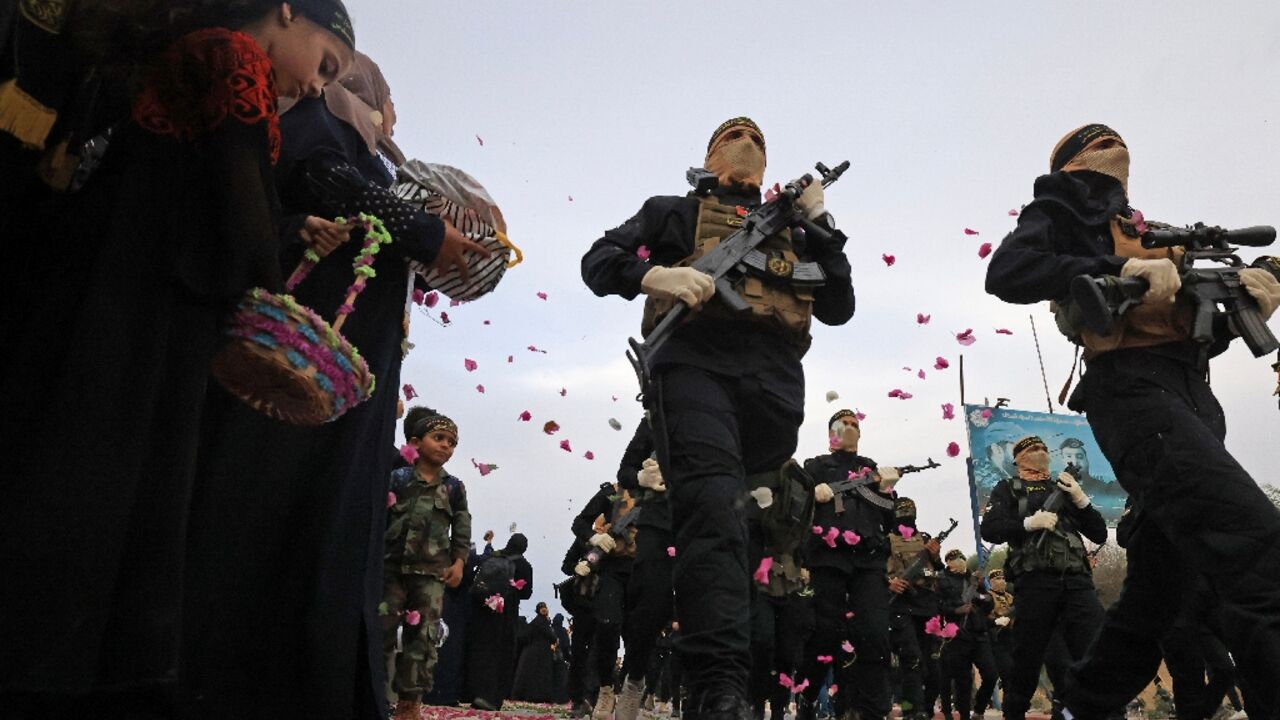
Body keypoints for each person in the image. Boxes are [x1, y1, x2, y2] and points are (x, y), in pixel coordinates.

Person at [0, 2, 356, 715]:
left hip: (117, 294)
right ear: (287, 11)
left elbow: (196, 187)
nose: (318, 88)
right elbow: (238, 197)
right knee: (104, 491)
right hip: (137, 310)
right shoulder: (233, 57)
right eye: (325, 64)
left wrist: (286, 231)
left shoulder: (192, 53)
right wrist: (269, 286)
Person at [178, 45, 486, 718]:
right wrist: (423, 230)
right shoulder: (320, 125)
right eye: (389, 99)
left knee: (326, 531)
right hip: (289, 378)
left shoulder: (376, 161)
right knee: (271, 521)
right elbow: (322, 180)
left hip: (341, 390)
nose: (394, 114)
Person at [984, 123, 1280, 718]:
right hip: (1134, 397)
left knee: (1157, 601)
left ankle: (1083, 707)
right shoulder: (1059, 212)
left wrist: (1247, 300)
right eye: (1093, 143)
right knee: (1258, 549)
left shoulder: (1149, 233)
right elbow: (1008, 272)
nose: (1109, 144)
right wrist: (1118, 266)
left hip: (1190, 400)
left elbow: (1190, 335)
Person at [581, 116, 855, 720]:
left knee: (739, 533)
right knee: (712, 515)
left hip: (772, 395)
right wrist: (655, 274)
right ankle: (718, 687)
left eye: (759, 138)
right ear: (708, 157)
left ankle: (732, 680)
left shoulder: (797, 229)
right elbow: (599, 261)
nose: (748, 141)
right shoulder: (674, 212)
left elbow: (839, 306)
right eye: (733, 135)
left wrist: (822, 223)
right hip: (694, 369)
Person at [978, 435, 1107, 720]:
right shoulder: (1007, 488)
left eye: (1043, 448)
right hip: (1035, 583)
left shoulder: (1063, 487)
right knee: (1027, 658)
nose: (1040, 452)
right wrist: (1027, 523)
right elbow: (990, 529)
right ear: (1018, 459)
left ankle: (1105, 712)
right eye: (1032, 449)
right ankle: (1014, 713)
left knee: (1095, 649)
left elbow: (1099, 533)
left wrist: (1081, 500)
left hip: (1077, 581)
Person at [796, 409, 897, 720]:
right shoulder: (815, 466)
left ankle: (871, 709)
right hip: (829, 560)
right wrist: (812, 495)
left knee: (874, 633)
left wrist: (887, 490)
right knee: (824, 634)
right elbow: (796, 508)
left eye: (855, 424)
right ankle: (808, 697)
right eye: (843, 424)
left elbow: (890, 520)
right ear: (832, 434)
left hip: (868, 561)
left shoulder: (871, 468)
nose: (850, 427)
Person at [382, 408, 471, 719]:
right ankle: (371, 693)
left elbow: (462, 528)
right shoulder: (397, 479)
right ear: (416, 443)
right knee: (382, 630)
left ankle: (409, 705)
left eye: (452, 442)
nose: (446, 445)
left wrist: (459, 562)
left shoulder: (454, 488)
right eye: (439, 438)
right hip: (391, 569)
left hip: (432, 574)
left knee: (423, 639)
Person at [613, 420, 678, 720]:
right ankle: (635, 678)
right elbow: (625, 471)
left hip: (705, 520)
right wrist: (641, 477)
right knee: (653, 603)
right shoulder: (657, 417)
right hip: (659, 521)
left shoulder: (724, 411)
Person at [886, 497, 944, 720]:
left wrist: (935, 557)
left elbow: (938, 572)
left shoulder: (925, 540)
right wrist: (889, 582)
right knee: (911, 660)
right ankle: (912, 709)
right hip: (901, 605)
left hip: (927, 605)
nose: (906, 516)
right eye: (902, 512)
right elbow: (876, 571)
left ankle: (925, 708)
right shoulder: (887, 541)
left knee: (932, 665)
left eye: (909, 512)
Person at [465, 533, 533, 711]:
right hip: (506, 614)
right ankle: (493, 698)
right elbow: (526, 593)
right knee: (502, 654)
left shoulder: (494, 557)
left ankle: (476, 693)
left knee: (483, 651)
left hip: (484, 611)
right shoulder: (524, 565)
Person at [936, 550, 997, 720]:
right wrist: (957, 610)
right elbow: (938, 605)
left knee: (991, 674)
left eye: (962, 558)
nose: (960, 561)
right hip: (957, 635)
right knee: (963, 681)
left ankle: (979, 709)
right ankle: (964, 715)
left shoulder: (973, 579)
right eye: (955, 559)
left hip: (979, 633)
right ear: (948, 563)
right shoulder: (942, 580)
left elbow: (988, 604)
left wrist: (981, 588)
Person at [512, 602, 559, 703]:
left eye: (545, 607)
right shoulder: (541, 621)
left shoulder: (538, 621)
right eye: (541, 607)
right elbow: (550, 636)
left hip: (536, 652)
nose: (544, 609)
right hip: (540, 653)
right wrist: (555, 639)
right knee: (539, 674)